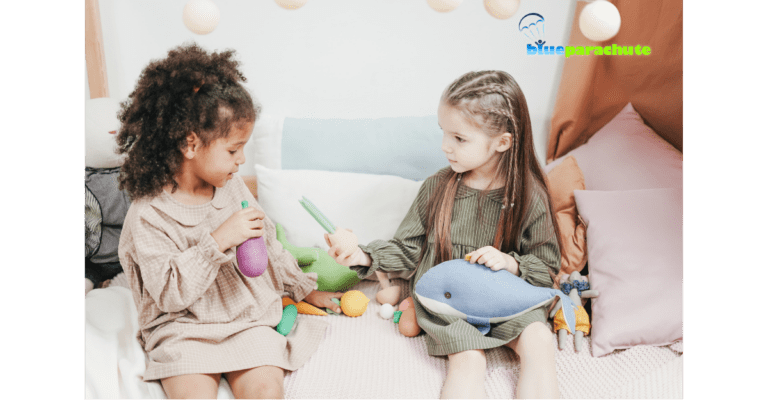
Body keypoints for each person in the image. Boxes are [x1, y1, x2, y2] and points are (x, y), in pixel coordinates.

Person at [116, 43, 342, 400]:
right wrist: (218, 239)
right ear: (190, 144)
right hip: (183, 327)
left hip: (245, 317)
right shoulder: (149, 215)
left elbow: (266, 242)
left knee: (267, 391)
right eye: (233, 150)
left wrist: (301, 287)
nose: (241, 161)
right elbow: (169, 295)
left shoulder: (231, 185)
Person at [325, 70, 564, 399]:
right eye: (444, 133)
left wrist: (510, 263)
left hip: (506, 300)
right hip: (447, 304)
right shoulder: (437, 187)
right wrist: (362, 255)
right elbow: (408, 250)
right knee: (468, 359)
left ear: (502, 142)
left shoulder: (529, 196)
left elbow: (547, 267)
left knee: (539, 340)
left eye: (459, 138)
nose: (444, 146)